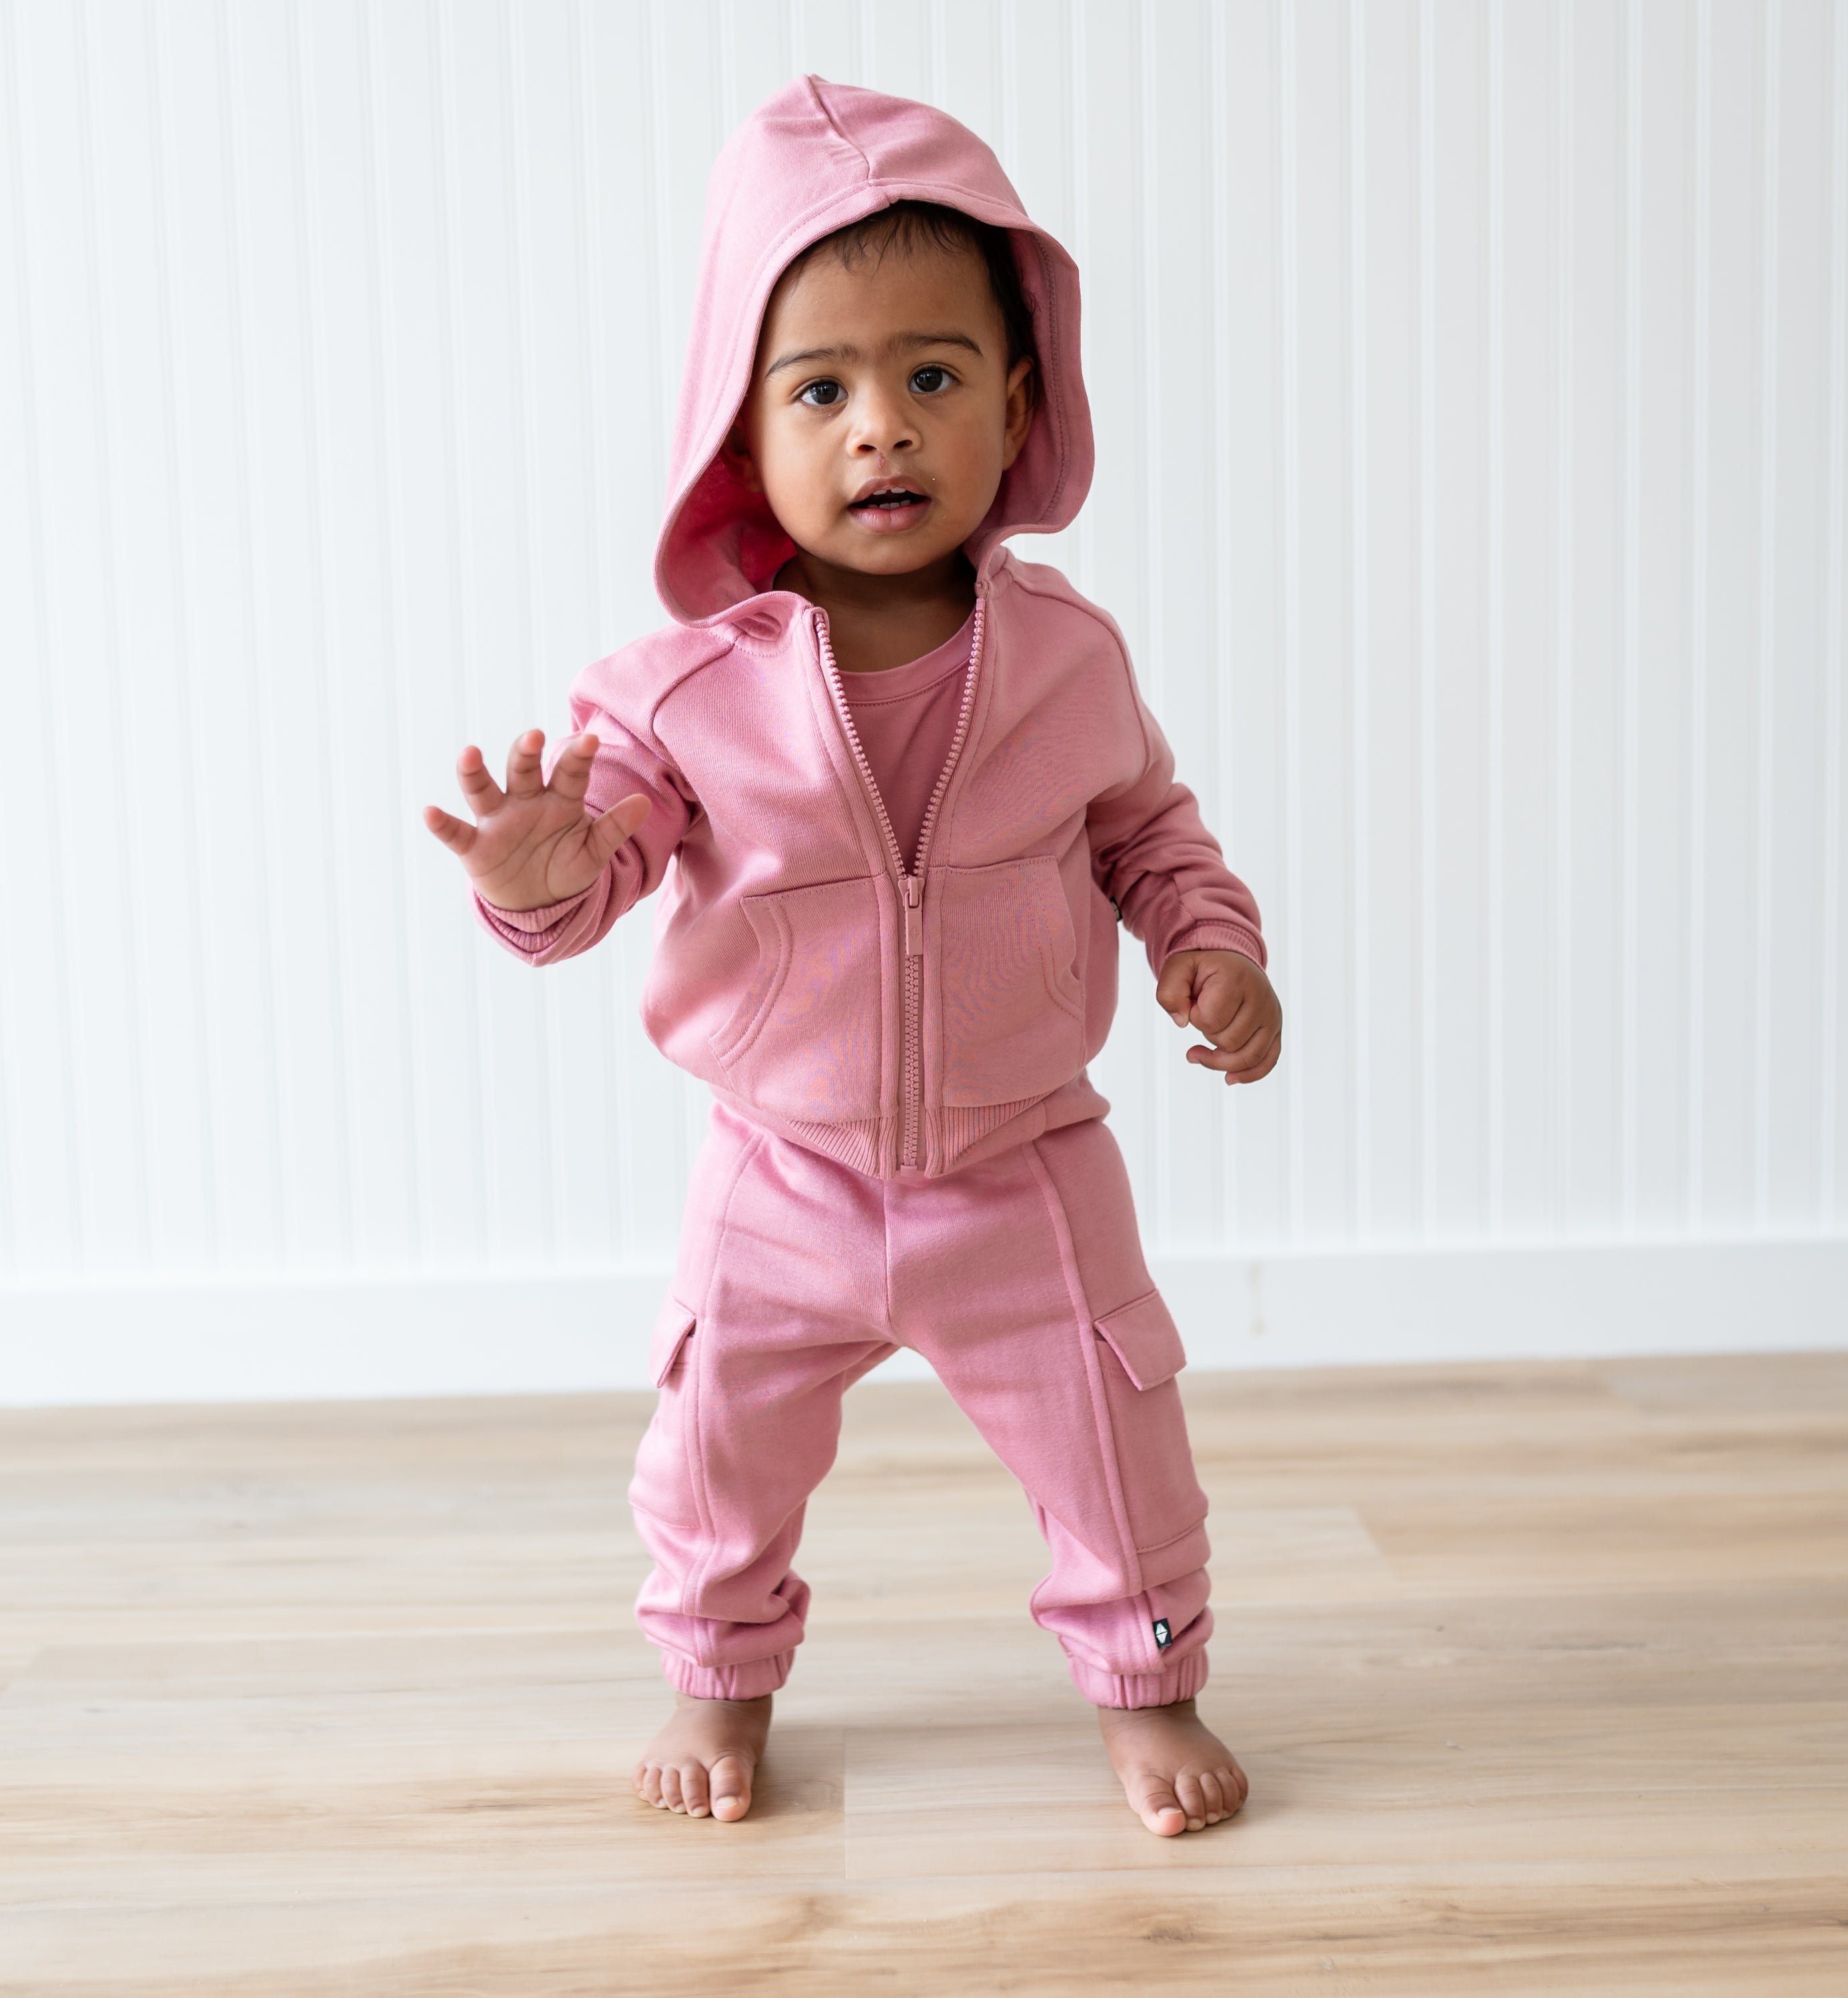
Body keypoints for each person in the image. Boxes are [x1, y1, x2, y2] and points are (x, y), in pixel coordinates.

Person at [423, 77, 1281, 1838]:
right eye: (822, 389)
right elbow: (597, 880)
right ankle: (716, 1681)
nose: (881, 427)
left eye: (933, 377)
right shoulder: (678, 695)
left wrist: (1211, 947)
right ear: (740, 434)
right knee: (713, 1454)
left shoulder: (1066, 657)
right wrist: (536, 872)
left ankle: (1149, 1681)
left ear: (1019, 401)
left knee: (1121, 1440)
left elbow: (1148, 831)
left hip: (1026, 1166)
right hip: (778, 1175)